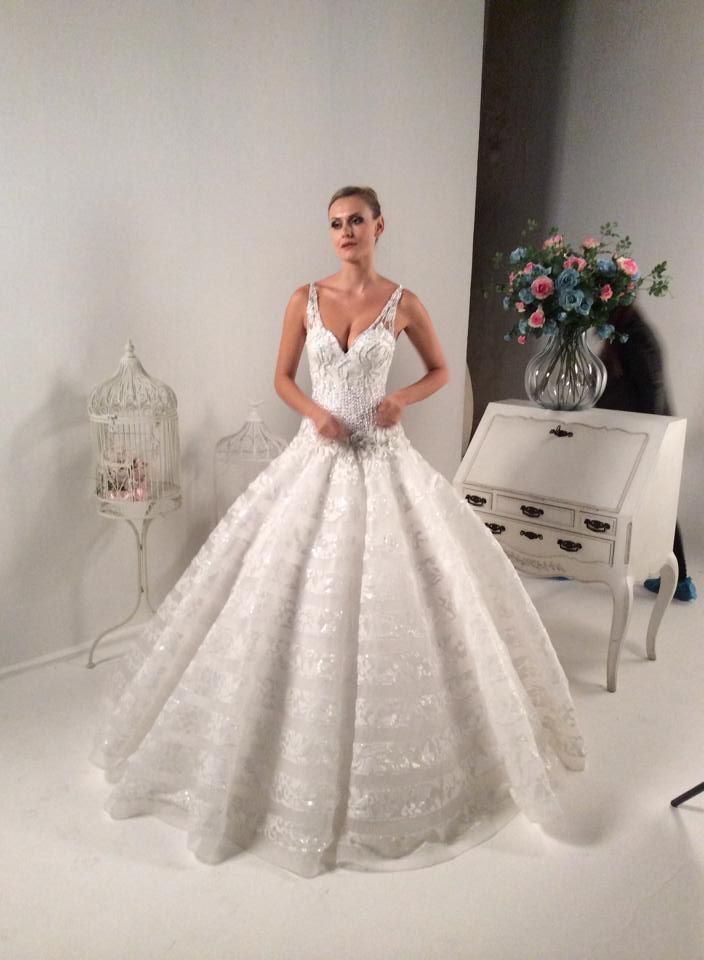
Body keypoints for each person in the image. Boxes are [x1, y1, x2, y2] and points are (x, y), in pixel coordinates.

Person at [91, 186, 585, 877]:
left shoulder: (403, 303)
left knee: (410, 591)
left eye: (357, 221)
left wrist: (401, 397)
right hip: (316, 456)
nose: (346, 232)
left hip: (382, 459)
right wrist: (315, 413)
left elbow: (442, 371)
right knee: (281, 586)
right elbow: (282, 377)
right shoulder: (305, 298)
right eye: (335, 224)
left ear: (380, 225)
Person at [596, 305, 696, 602]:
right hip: (634, 433)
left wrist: (649, 439)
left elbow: (652, 390)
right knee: (651, 501)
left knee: (658, 503)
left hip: (645, 435)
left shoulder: (636, 336)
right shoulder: (625, 332)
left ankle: (679, 580)